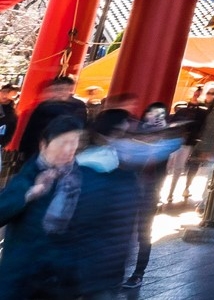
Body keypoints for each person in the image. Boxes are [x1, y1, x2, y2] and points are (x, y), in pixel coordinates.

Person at [0, 112, 140, 298]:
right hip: (22, 275)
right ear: (44, 145)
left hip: (59, 280)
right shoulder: (30, 175)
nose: (69, 149)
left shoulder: (79, 176)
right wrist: (30, 194)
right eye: (62, 143)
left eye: (74, 142)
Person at [106, 102, 181, 288]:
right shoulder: (133, 135)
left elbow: (172, 146)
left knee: (143, 234)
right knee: (120, 230)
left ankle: (138, 273)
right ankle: (114, 271)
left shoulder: (167, 139)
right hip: (128, 189)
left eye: (160, 115)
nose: (155, 117)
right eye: (151, 113)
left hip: (149, 192)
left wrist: (162, 132)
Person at [16, 75, 86, 163]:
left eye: (66, 89)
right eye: (60, 89)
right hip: (39, 145)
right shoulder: (44, 106)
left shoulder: (78, 106)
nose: (63, 92)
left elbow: (82, 128)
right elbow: (31, 128)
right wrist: (23, 148)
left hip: (63, 147)